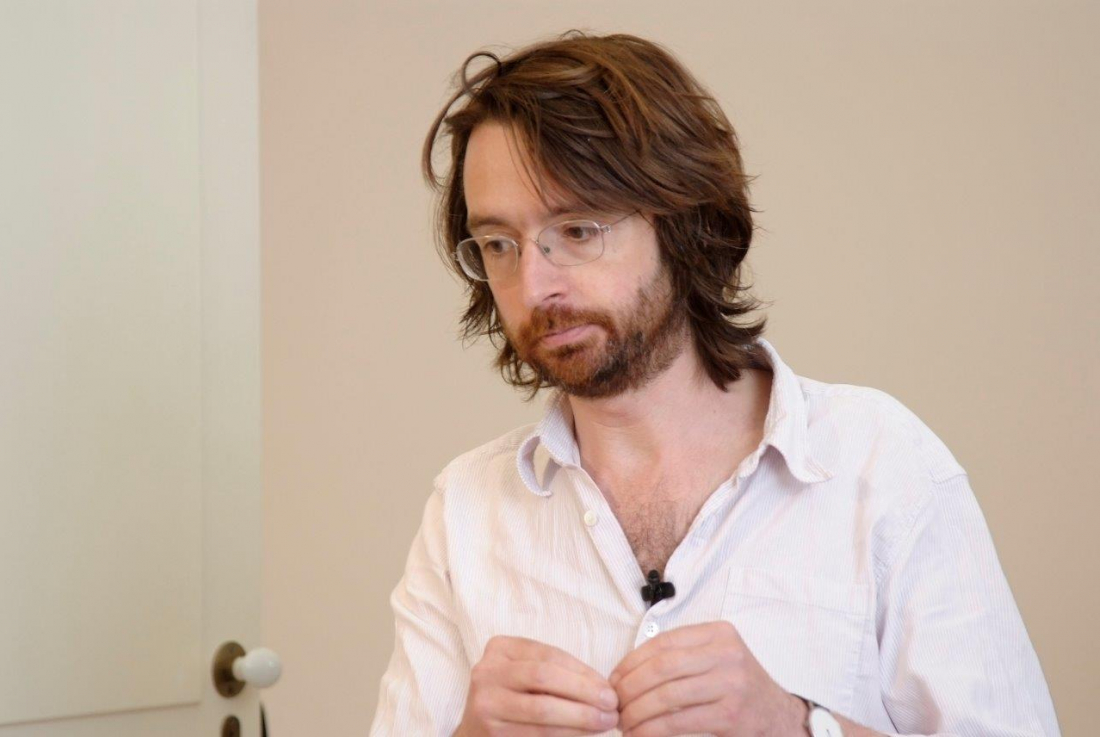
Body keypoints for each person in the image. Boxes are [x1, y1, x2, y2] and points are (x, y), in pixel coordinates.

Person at [369, 31, 1061, 737]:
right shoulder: (466, 510)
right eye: (498, 244)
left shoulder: (882, 465)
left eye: (577, 230)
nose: (533, 284)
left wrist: (796, 726)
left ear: (685, 225)